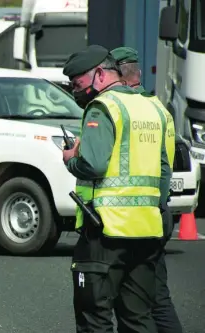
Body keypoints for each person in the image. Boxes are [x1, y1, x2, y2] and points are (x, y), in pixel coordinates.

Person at [62, 45, 169, 333]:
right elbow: (163, 169)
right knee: (138, 318)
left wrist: (71, 160)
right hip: (146, 229)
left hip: (106, 231)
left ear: (99, 74)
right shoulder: (152, 107)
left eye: (78, 82)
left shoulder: (103, 106)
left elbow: (94, 165)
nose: (75, 89)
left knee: (93, 317)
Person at [111, 46, 182, 333]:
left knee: (137, 299)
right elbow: (165, 164)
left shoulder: (121, 108)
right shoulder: (158, 109)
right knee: (153, 294)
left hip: (129, 215)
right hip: (157, 209)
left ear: (119, 75)